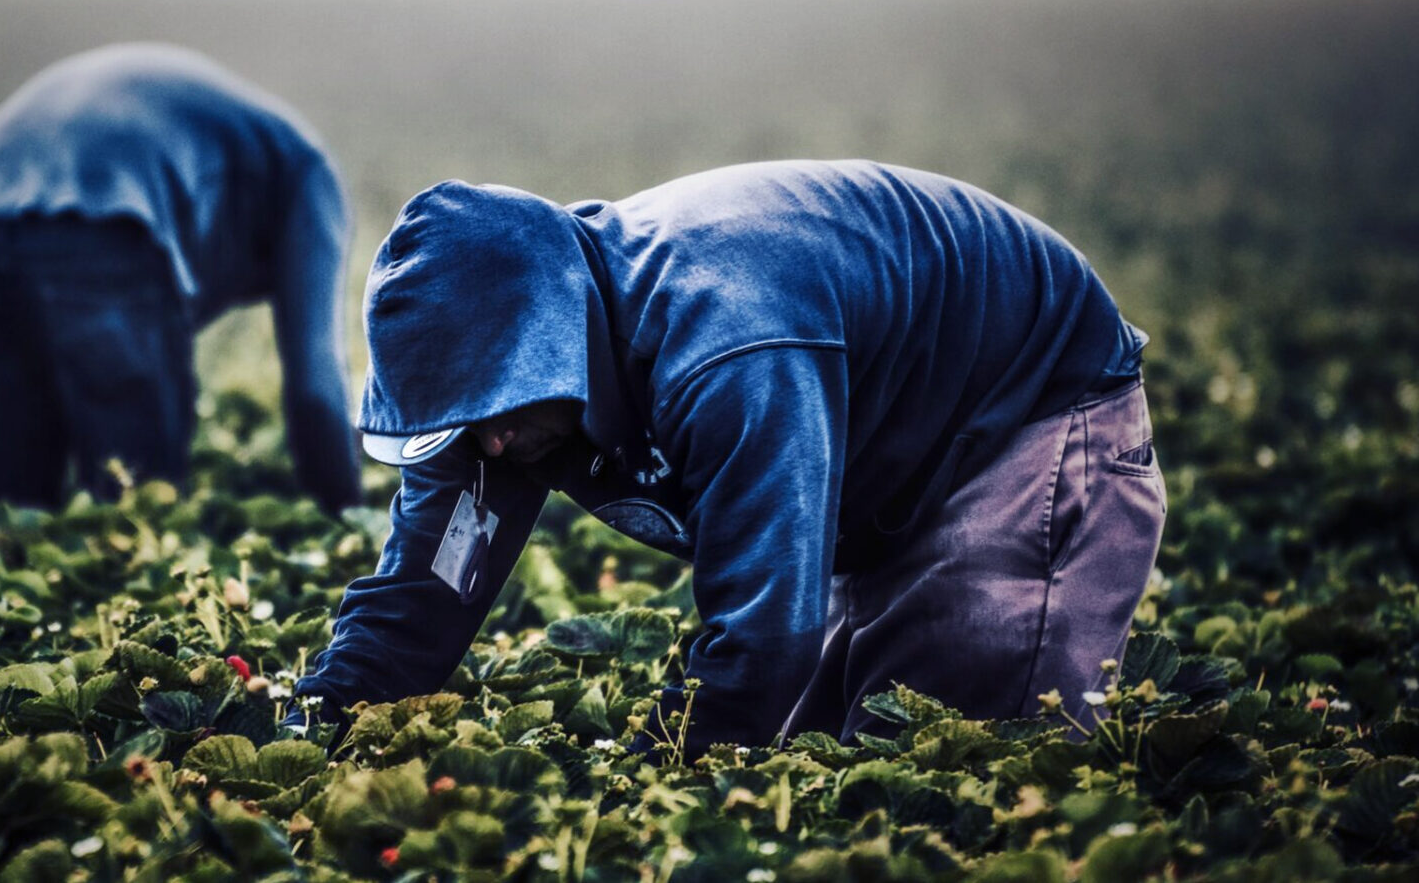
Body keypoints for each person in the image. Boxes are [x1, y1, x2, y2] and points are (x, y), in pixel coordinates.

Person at [292, 160, 1166, 753]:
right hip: (877, 449)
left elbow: (764, 633)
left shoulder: (725, 342)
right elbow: (425, 592)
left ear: (554, 340)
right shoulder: (500, 412)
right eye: (461, 420)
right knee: (840, 755)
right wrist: (317, 720)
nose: (489, 444)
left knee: (965, 753)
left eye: (498, 407)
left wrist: (648, 768)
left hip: (1029, 411)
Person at [0, 44, 360, 520]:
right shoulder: (312, 177)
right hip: (107, 216)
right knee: (135, 512)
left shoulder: (248, 150)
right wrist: (346, 515)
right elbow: (315, 387)